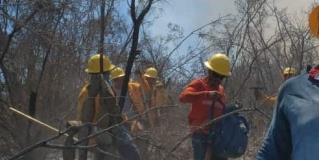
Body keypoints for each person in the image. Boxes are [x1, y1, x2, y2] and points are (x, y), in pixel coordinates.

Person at [77, 54, 140, 160]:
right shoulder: (87, 92)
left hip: (112, 129)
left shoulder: (107, 88)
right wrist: (91, 137)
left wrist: (127, 122)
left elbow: (113, 111)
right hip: (100, 132)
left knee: (131, 153)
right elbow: (83, 118)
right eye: (107, 72)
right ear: (100, 73)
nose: (109, 74)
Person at [256, 65, 319, 160]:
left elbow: (273, 100)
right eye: (286, 76)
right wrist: (262, 97)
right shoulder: (291, 89)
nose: (287, 77)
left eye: (289, 75)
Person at [179, 53, 231, 160]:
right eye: (216, 75)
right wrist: (206, 94)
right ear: (210, 71)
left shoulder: (221, 89)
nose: (218, 79)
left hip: (217, 136)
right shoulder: (199, 84)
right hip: (200, 135)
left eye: (222, 77)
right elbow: (183, 97)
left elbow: (221, 111)